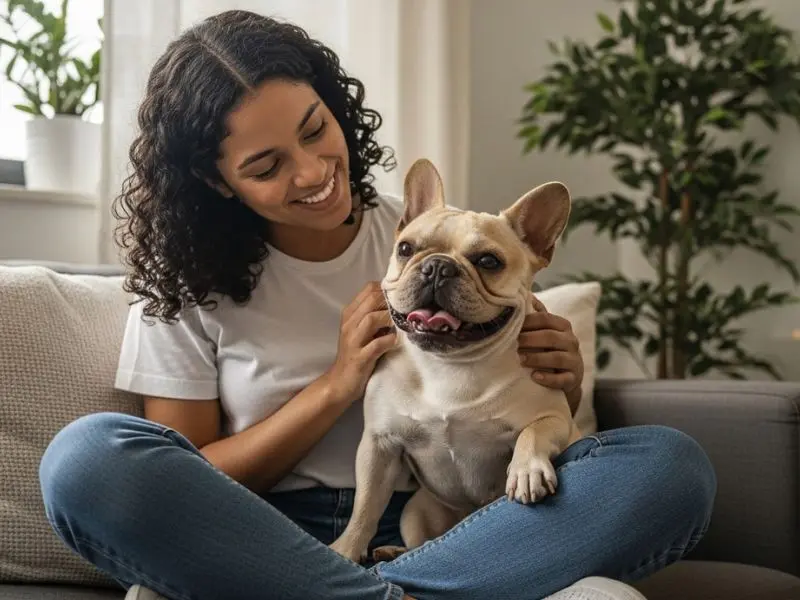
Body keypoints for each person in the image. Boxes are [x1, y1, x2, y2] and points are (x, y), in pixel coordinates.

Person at [38, 9, 716, 600]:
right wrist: (336, 386)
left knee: (671, 468)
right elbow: (184, 477)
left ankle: (372, 591)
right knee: (86, 458)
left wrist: (560, 383)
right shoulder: (185, 286)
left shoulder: (424, 234)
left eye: (315, 129)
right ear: (215, 182)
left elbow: (521, 413)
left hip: (465, 527)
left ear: (337, 106)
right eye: (267, 167)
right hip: (262, 534)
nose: (310, 172)